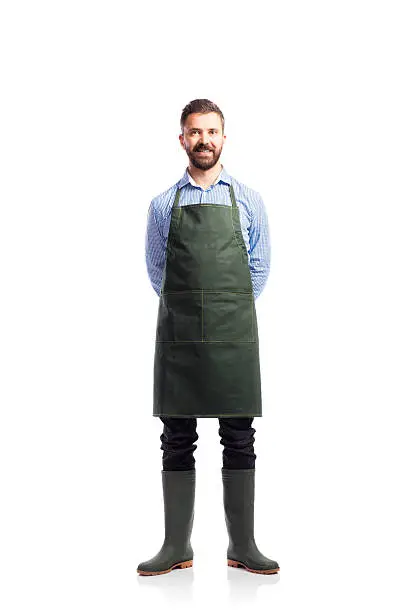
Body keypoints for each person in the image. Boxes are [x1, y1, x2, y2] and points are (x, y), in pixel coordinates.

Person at [137, 99, 279, 576]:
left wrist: (228, 307)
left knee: (239, 436)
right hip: (179, 337)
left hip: (234, 333)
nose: (204, 140)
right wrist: (190, 308)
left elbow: (258, 270)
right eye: (195, 132)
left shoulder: (248, 199)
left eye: (212, 132)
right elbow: (158, 272)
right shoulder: (162, 204)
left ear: (224, 138)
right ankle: (176, 545)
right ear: (183, 139)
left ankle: (244, 545)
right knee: (176, 437)